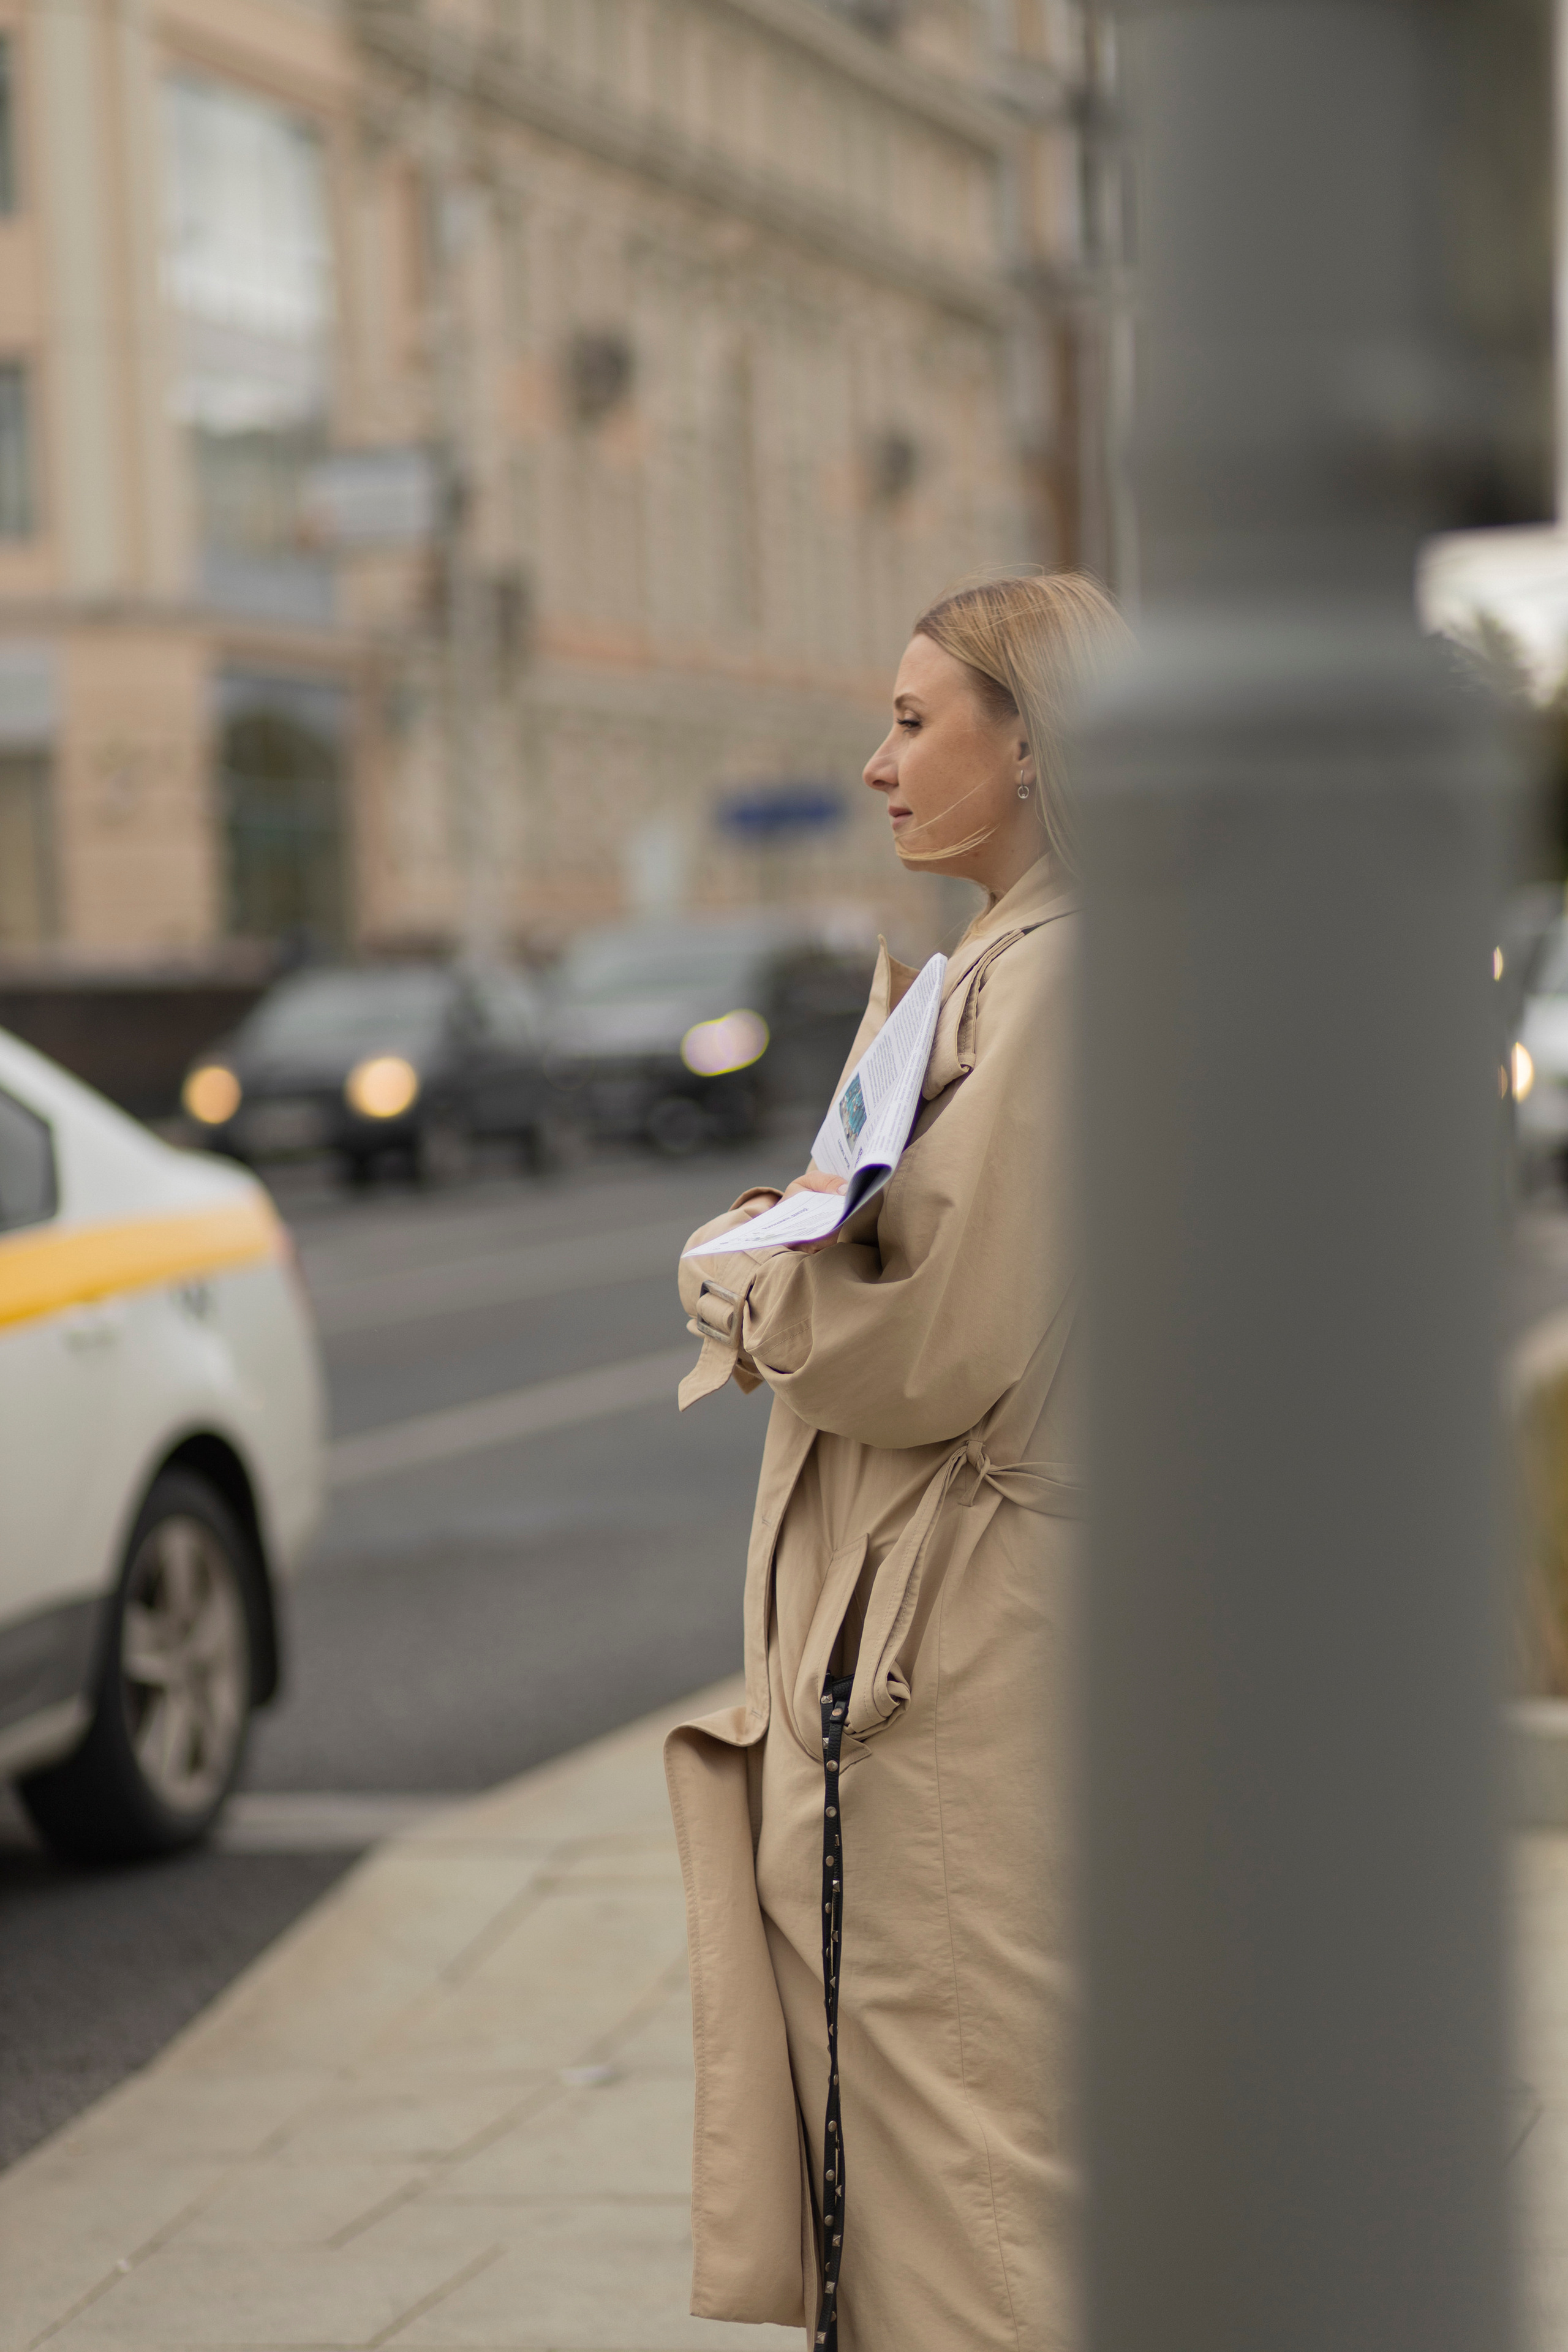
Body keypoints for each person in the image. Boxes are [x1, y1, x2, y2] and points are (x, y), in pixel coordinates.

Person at [665, 570, 1134, 2352]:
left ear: (1033, 745)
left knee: (961, 2177)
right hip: (978, 1625)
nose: (877, 763)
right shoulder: (1040, 960)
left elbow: (930, 1336)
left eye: (916, 720)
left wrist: (728, 1280)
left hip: (960, 1646)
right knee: (972, 2142)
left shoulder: (1060, 977)